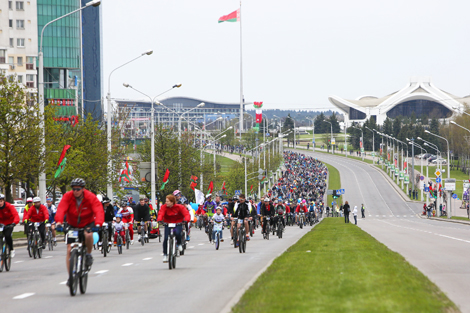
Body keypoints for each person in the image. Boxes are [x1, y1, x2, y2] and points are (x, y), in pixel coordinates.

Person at [55, 178, 104, 284]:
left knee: (88, 235)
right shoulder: (68, 196)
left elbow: (98, 209)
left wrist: (98, 223)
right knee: (69, 249)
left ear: (83, 189)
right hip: (72, 224)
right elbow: (61, 209)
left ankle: (88, 254)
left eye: (78, 189)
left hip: (87, 223)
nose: (75, 191)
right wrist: (58, 222)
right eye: (74, 189)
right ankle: (71, 276)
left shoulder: (90, 196)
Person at [157, 194, 190, 263]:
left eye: (168, 201)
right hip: (168, 223)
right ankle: (165, 255)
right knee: (166, 238)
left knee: (178, 233)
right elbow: (161, 213)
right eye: (166, 201)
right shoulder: (164, 207)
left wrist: (186, 220)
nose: (166, 203)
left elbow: (186, 213)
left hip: (177, 223)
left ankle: (179, 244)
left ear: (172, 202)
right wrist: (159, 220)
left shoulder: (179, 207)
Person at [0, 194, 20, 258]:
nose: (0, 203)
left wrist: (14, 223)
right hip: (1, 224)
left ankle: (11, 249)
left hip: (9, 223)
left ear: (3, 201)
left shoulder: (9, 206)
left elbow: (16, 215)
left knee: (7, 235)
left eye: (1, 201)